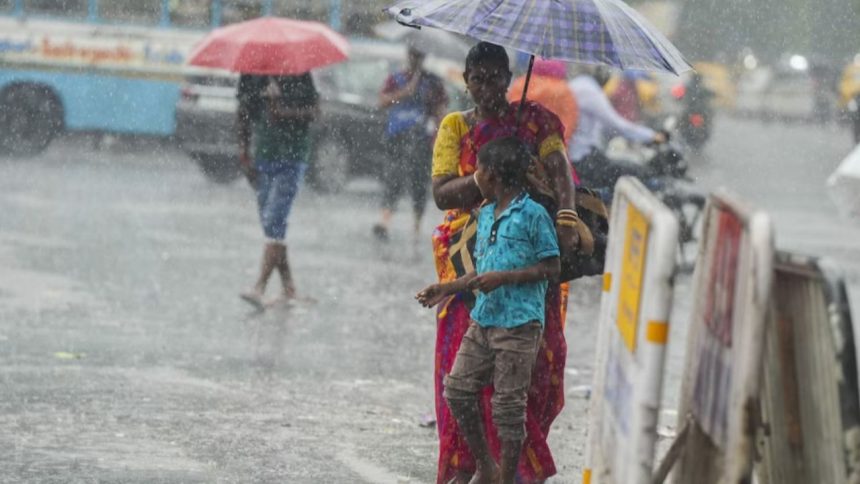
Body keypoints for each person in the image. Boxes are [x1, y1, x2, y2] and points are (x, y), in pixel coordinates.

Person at [429, 42, 578, 484]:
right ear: (466, 80)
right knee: (463, 373)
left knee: (530, 373)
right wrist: (486, 176)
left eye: (497, 78)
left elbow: (560, 172)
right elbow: (441, 195)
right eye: (479, 78)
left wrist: (566, 215)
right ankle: (473, 464)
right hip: (468, 258)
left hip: (528, 257)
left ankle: (513, 471)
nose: (488, 87)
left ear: (510, 79)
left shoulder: (534, 122)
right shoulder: (456, 127)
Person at [418, 136, 562, 484]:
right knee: (458, 389)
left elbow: (552, 268)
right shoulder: (484, 214)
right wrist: (447, 289)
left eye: (479, 168)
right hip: (483, 318)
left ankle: (506, 476)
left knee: (508, 409)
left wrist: (505, 278)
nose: (475, 174)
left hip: (519, 324)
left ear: (493, 173)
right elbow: (481, 268)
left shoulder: (533, 215)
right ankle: (487, 465)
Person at [236, 73, 319, 309]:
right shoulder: (252, 75)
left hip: (292, 157)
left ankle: (259, 287)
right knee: (271, 225)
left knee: (274, 220)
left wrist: (279, 107)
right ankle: (289, 288)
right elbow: (243, 113)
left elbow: (314, 112)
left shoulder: (301, 75)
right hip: (264, 157)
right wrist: (244, 155)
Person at [373, 43, 449, 242]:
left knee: (419, 182)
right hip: (396, 137)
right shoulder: (396, 79)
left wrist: (439, 133)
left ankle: (416, 226)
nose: (415, 59)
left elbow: (441, 109)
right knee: (393, 177)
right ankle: (385, 220)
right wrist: (405, 92)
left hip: (421, 140)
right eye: (413, 55)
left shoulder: (432, 82)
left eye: (419, 56)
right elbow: (381, 102)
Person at [568, 66, 665, 189]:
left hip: (579, 154)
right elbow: (616, 124)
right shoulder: (589, 91)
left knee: (622, 168)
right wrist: (651, 136)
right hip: (581, 157)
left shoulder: (578, 84)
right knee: (636, 173)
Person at [507, 59, 579, 142]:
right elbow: (570, 121)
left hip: (521, 141)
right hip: (553, 143)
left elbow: (513, 111)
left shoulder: (522, 84)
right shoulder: (564, 90)